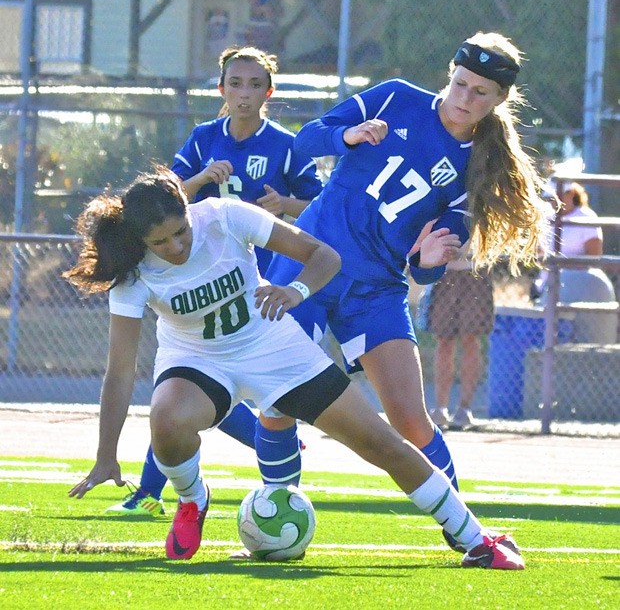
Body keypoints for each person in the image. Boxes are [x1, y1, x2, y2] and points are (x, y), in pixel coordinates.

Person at [65, 166, 524, 570]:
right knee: (166, 421)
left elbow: (324, 256)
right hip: (197, 359)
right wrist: (106, 454)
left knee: (381, 442)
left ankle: (477, 539)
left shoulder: (225, 215)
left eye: (180, 231)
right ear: (139, 240)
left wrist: (296, 292)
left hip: (271, 345)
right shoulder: (131, 271)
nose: (176, 246)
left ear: (188, 208)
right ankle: (192, 500)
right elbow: (120, 372)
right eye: (160, 242)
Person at [266, 31, 549, 550]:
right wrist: (346, 138)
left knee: (411, 420)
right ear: (450, 72)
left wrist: (430, 262)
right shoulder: (395, 95)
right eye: (462, 83)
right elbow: (305, 140)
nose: (466, 98)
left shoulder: (478, 170)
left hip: (376, 289)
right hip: (308, 261)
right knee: (278, 399)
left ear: (499, 101)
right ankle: (277, 516)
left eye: (481, 92)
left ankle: (464, 532)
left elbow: (423, 273)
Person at [107, 46, 324, 516]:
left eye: (253, 85)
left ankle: (274, 466)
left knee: (251, 392)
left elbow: (321, 211)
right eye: (234, 84)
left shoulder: (287, 145)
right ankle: (155, 492)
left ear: (269, 92)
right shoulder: (204, 137)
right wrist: (202, 176)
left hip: (264, 284)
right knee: (185, 387)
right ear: (221, 89)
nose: (243, 94)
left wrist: (286, 205)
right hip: (201, 282)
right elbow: (162, 203)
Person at [427, 246, 494, 430]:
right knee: (443, 341)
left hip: (476, 272)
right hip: (445, 272)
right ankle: (440, 408)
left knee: (470, 340)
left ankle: (464, 408)